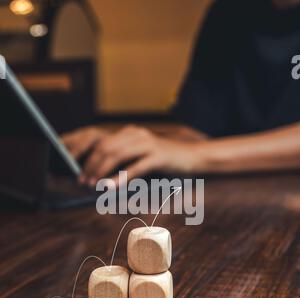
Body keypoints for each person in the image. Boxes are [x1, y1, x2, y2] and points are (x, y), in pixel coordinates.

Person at [63, 0, 300, 188]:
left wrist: (195, 156)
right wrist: (122, 143)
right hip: (231, 203)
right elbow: (195, 131)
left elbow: (192, 152)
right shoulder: (228, 13)